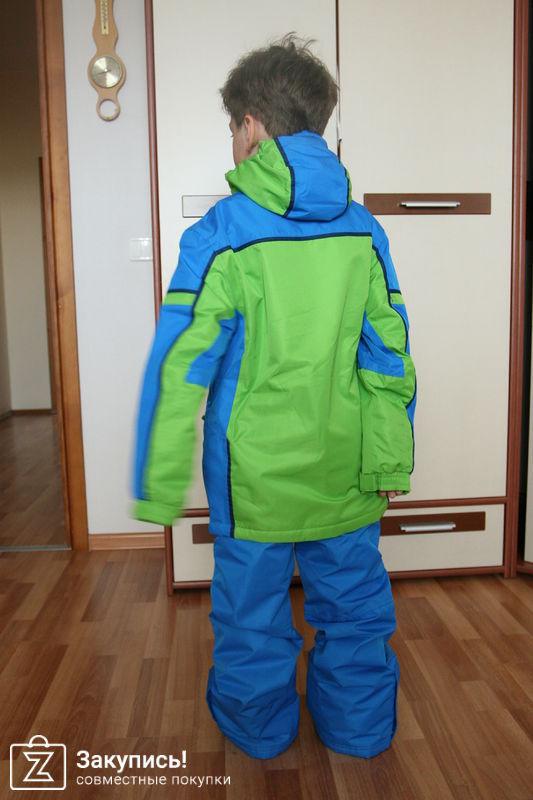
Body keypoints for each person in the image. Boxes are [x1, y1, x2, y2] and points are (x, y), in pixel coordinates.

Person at [131, 34, 416, 760]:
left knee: (252, 619)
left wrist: (158, 483)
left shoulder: (221, 234)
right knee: (354, 611)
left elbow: (180, 366)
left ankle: (259, 737)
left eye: (234, 129)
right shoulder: (364, 229)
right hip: (347, 467)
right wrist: (389, 459)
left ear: (251, 126)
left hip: (252, 479)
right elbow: (389, 356)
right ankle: (358, 732)